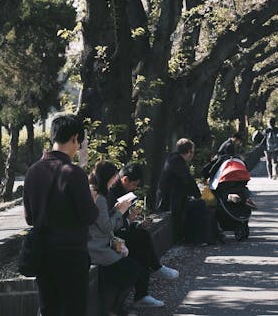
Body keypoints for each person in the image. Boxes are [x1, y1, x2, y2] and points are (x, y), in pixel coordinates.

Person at [23, 113, 98, 316]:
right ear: (75, 138)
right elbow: (89, 216)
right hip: (71, 253)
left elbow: (29, 218)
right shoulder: (73, 173)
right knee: (74, 308)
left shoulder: (33, 171)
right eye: (80, 141)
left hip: (43, 253)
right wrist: (92, 199)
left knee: (49, 308)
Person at [107, 162, 179, 308]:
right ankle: (155, 270)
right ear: (124, 179)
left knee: (142, 247)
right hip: (111, 237)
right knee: (141, 240)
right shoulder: (111, 194)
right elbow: (111, 224)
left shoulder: (122, 192)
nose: (134, 188)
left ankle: (143, 294)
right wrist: (128, 220)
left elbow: (124, 221)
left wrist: (137, 223)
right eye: (133, 184)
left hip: (121, 232)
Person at [88, 161, 142, 316]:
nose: (114, 181)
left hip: (95, 243)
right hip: (96, 247)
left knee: (122, 270)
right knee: (131, 269)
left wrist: (115, 211)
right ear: (107, 178)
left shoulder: (93, 192)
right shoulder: (100, 197)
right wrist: (120, 212)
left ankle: (114, 308)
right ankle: (113, 309)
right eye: (113, 178)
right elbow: (106, 227)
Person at [156, 138, 217, 244]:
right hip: (170, 202)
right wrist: (198, 195)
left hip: (174, 199)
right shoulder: (177, 162)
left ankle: (200, 238)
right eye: (192, 152)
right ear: (189, 152)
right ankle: (198, 238)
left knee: (198, 205)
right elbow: (188, 181)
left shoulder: (174, 159)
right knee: (201, 205)